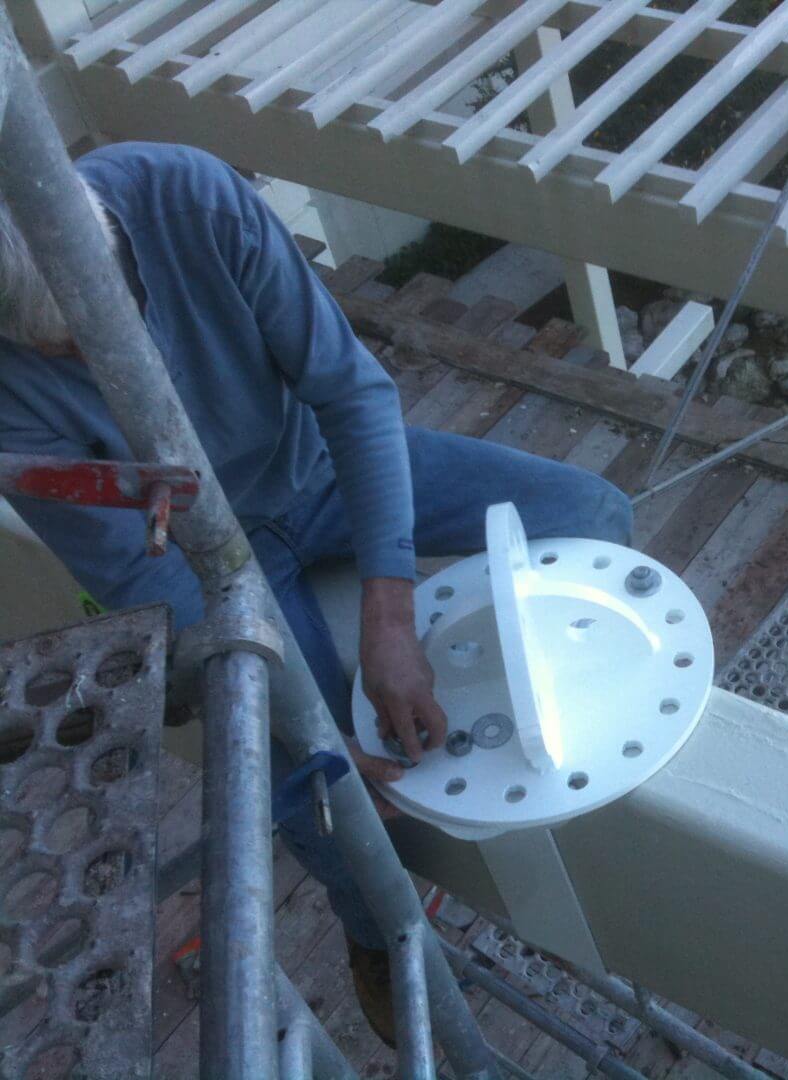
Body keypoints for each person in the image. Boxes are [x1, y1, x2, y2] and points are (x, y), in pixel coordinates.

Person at [0, 142, 632, 1043]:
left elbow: (352, 394)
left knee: (592, 513)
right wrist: (309, 726)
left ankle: (562, 743)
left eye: (90, 332)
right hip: (214, 563)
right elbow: (135, 571)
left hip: (320, 464)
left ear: (103, 239)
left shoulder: (190, 195)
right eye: (54, 350)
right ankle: (375, 930)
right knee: (316, 786)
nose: (78, 361)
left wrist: (391, 613)